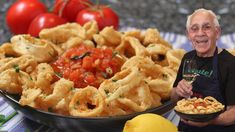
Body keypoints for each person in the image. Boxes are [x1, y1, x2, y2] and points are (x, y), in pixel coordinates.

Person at [171, 8, 235, 132]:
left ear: (217, 32)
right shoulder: (187, 58)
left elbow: (233, 113)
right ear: (188, 34)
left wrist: (209, 120)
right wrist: (178, 91)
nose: (200, 33)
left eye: (206, 27)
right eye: (194, 29)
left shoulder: (230, 63)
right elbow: (173, 98)